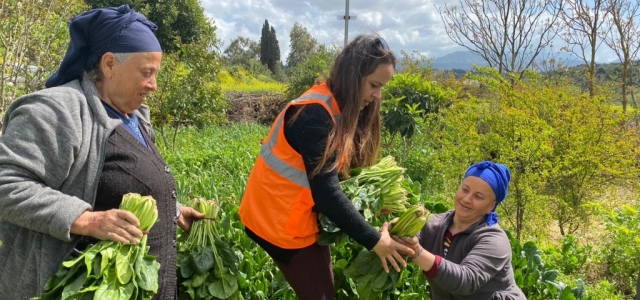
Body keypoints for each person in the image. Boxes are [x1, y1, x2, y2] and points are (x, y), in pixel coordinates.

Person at [0, 5, 203, 300]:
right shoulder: (56, 112)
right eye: (147, 73)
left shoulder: (135, 117)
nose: (154, 85)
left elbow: (117, 184)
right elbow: (6, 184)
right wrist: (87, 220)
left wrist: (172, 210)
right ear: (109, 64)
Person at [238, 33, 414, 300]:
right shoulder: (315, 114)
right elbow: (327, 194)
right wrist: (377, 241)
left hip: (285, 214)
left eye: (382, 88)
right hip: (278, 222)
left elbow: (337, 176)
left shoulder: (335, 106)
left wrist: (379, 204)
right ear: (354, 77)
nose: (377, 96)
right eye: (374, 85)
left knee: (322, 284)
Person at [392, 161, 526, 299]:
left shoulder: (494, 239)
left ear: (491, 207)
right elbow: (403, 243)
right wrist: (397, 230)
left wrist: (417, 252)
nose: (467, 199)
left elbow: (467, 280)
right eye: (465, 189)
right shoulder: (433, 224)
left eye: (478, 196)